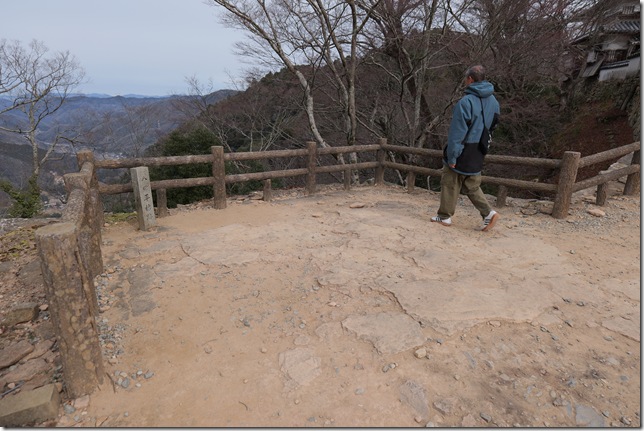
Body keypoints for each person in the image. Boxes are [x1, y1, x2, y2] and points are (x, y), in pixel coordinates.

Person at [431, 65, 500, 231]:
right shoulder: (494, 101)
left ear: (470, 79)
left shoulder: (465, 102)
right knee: (471, 183)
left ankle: (444, 216)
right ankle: (488, 213)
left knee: (450, 180)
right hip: (479, 148)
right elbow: (494, 124)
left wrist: (452, 156)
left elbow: (457, 133)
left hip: (463, 148)